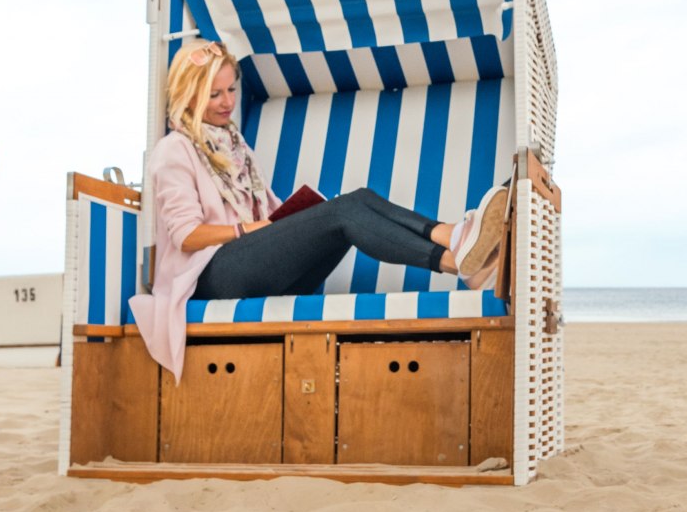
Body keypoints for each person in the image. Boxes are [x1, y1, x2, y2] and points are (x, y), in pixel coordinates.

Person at [127, 40, 509, 378]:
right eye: (214, 94)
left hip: (247, 264)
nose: (227, 102)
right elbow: (186, 235)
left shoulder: (235, 146)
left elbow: (269, 214)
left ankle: (456, 253)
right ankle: (458, 246)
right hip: (209, 278)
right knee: (343, 214)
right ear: (189, 97)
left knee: (352, 203)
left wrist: (295, 216)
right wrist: (248, 230)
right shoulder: (174, 149)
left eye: (231, 89)